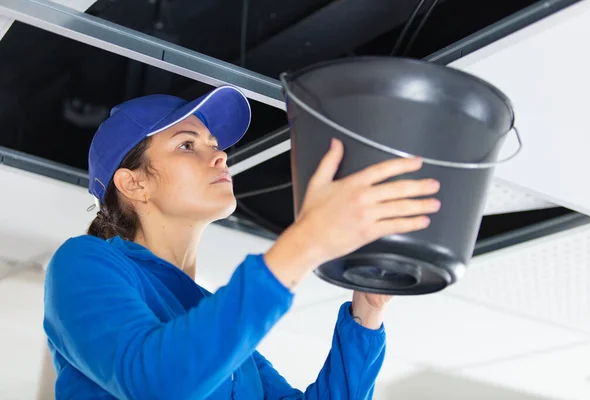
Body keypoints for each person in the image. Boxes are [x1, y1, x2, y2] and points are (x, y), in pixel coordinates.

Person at [43, 85, 441, 399]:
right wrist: (306, 241)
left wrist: (366, 312)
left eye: (215, 144)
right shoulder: (83, 264)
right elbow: (157, 385)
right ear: (135, 183)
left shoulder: (214, 324)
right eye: (187, 144)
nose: (219, 156)